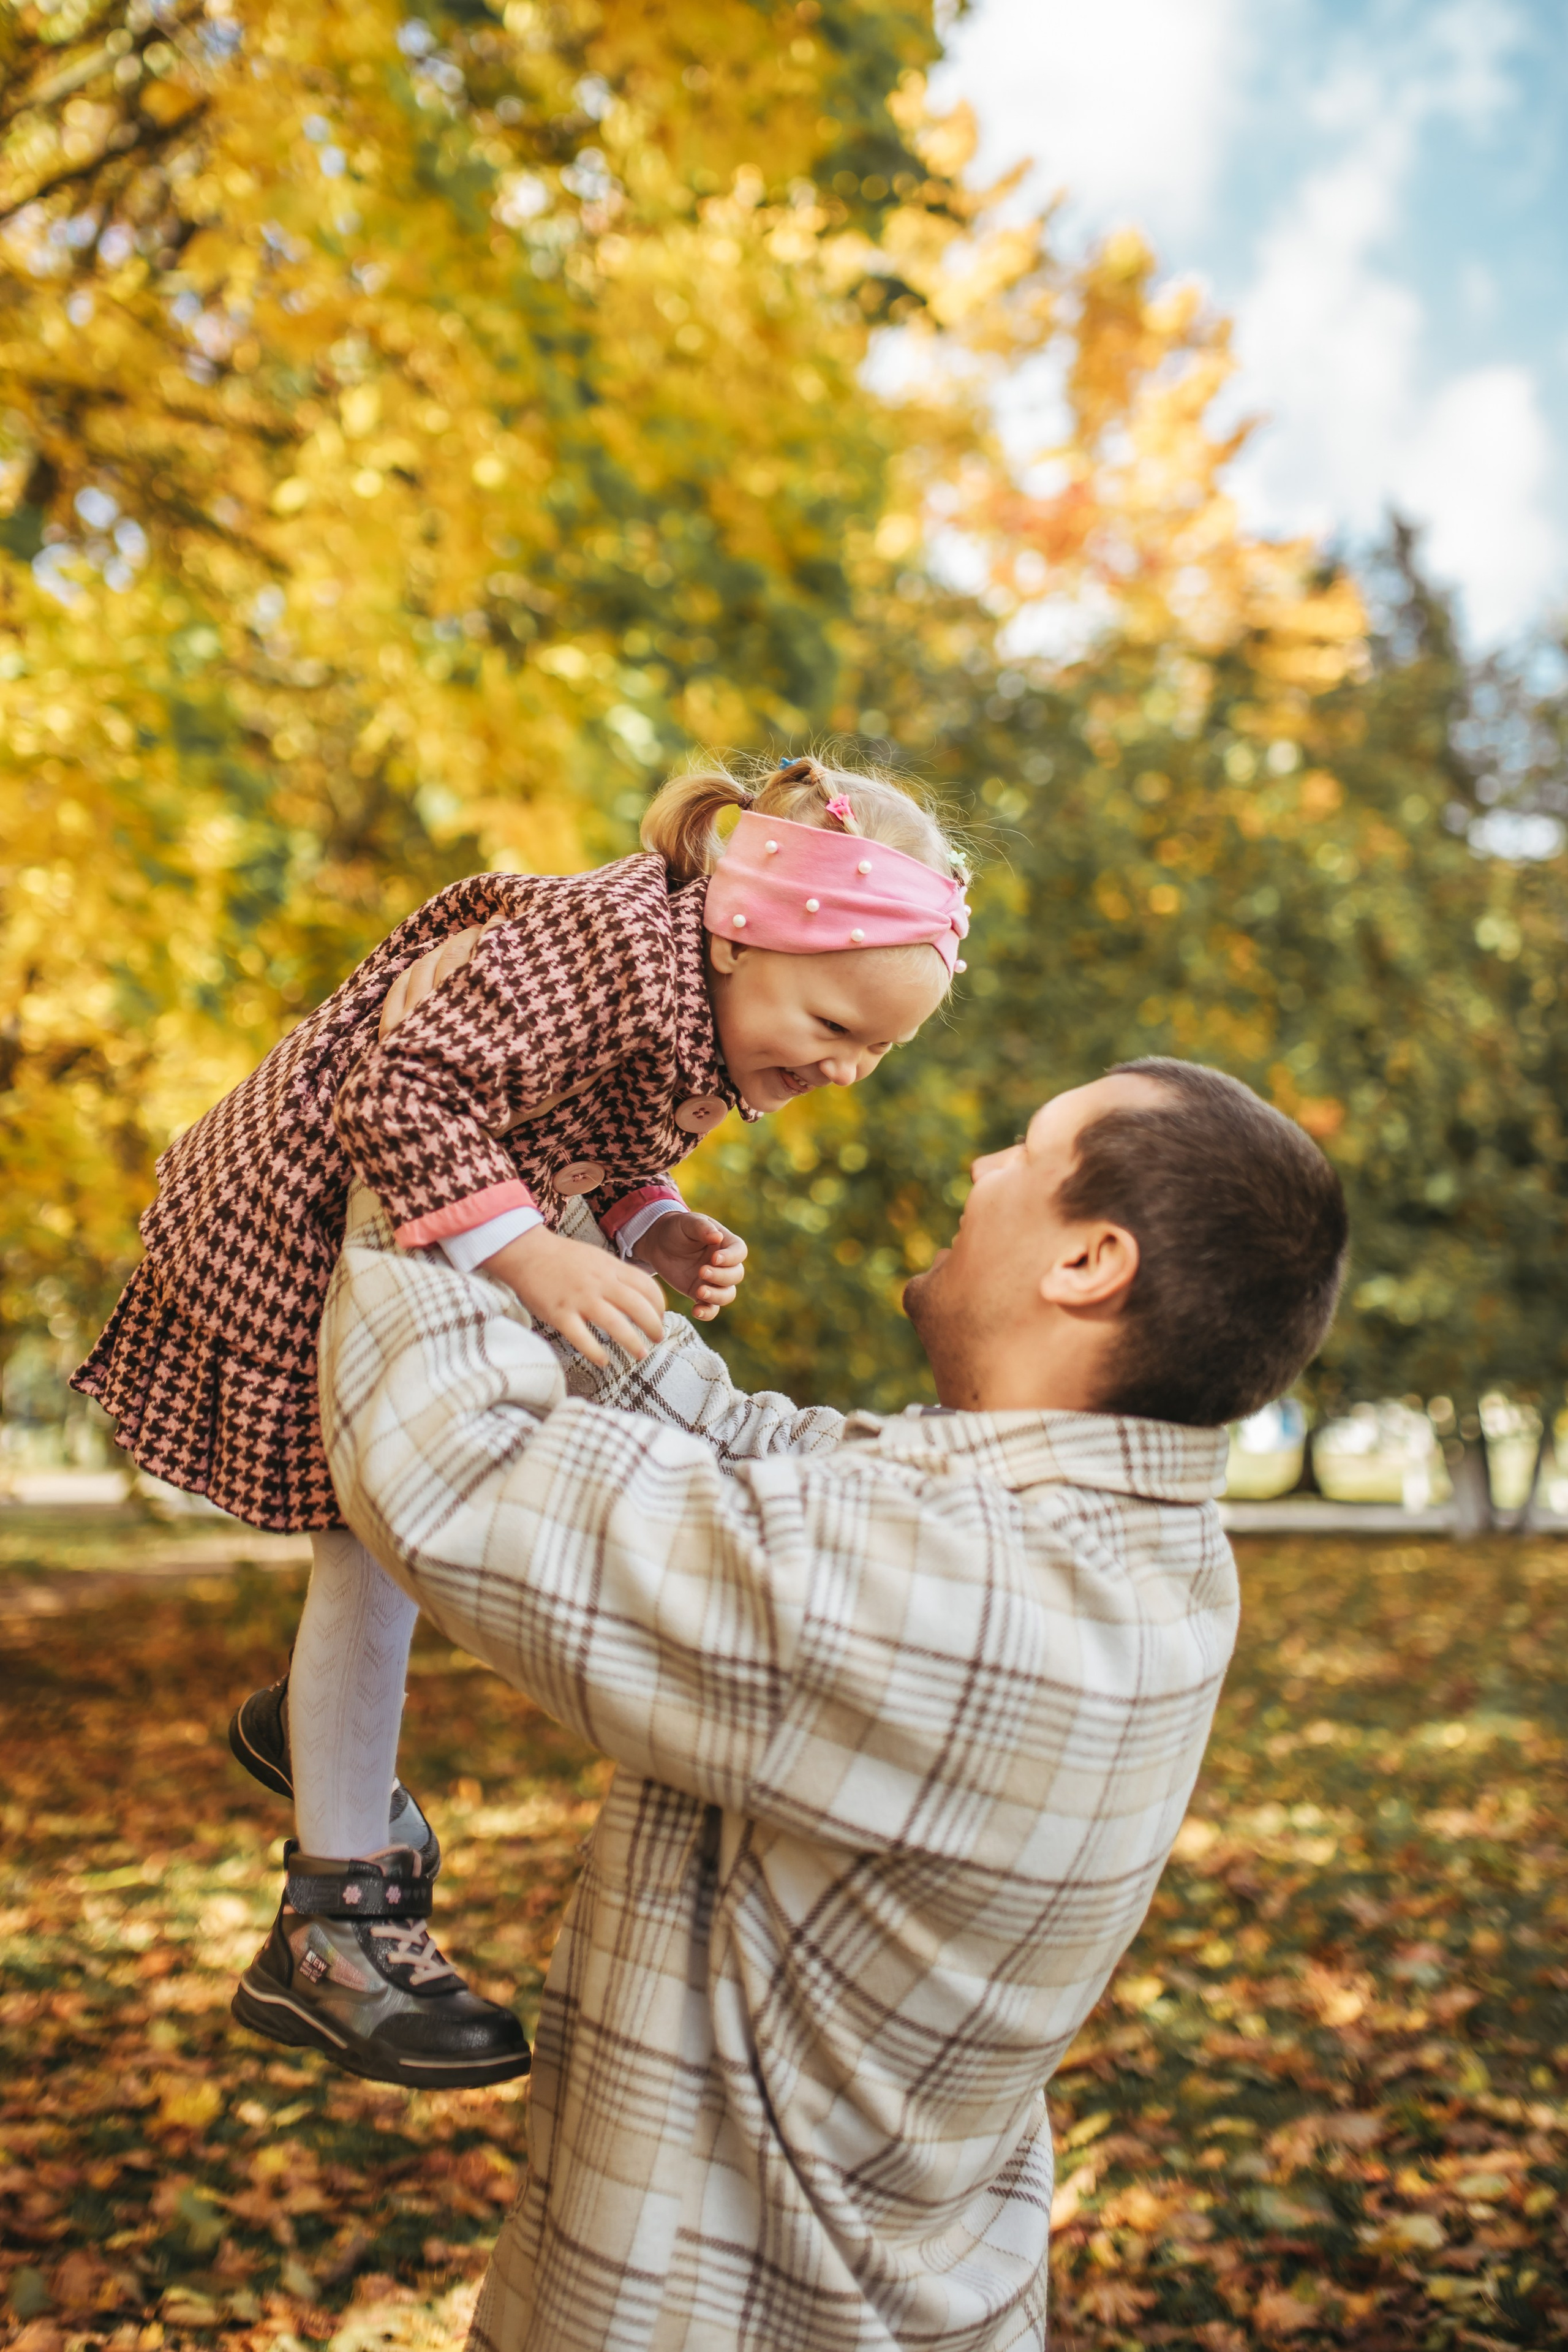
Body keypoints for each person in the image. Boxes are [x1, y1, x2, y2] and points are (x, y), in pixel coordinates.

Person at [311, 1055, 1348, 2351]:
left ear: (1087, 1262)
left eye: (1023, 1150)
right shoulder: (1123, 1540)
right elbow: (728, 1444)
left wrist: (417, 1138)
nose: (979, 1168)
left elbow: (456, 1476)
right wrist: (534, 1218)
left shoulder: (973, 1592)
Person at [70, 753, 968, 2086]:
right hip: (307, 1216)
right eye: (835, 1028)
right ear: (743, 933)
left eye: (877, 1053)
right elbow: (404, 1095)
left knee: (368, 1566)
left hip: (417, 1225)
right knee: (369, 1555)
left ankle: (316, 1746)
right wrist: (531, 1257)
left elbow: (583, 1127)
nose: (847, 1072)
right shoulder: (598, 940)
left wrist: (649, 1223)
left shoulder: (694, 1002)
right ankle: (333, 1928)